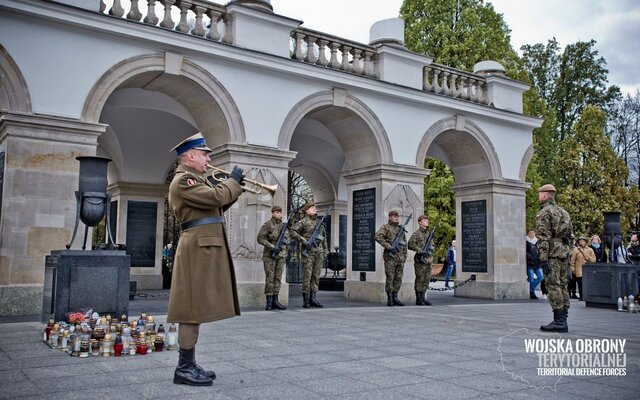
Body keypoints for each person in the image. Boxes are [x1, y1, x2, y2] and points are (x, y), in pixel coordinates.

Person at [166, 132, 245, 386]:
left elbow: (216, 207)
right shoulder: (184, 180)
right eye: (204, 154)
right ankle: (184, 368)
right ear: (190, 156)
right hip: (197, 250)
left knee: (195, 307)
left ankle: (189, 364)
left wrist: (233, 189)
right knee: (190, 309)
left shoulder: (196, 179)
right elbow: (215, 198)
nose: (208, 158)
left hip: (203, 247)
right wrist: (232, 183)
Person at [535, 184, 573, 333]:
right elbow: (570, 236)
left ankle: (559, 320)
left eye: (540, 194)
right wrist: (568, 252)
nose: (539, 197)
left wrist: (543, 258)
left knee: (553, 285)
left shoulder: (544, 213)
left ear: (545, 195)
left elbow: (543, 237)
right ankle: (563, 318)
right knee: (563, 285)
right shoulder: (564, 213)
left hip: (552, 253)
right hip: (563, 252)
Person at [290, 202, 327, 308]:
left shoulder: (320, 222)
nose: (314, 209)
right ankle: (306, 299)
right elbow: (292, 231)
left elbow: (324, 239)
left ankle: (313, 298)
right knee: (307, 276)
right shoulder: (303, 221)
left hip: (318, 253)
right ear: (307, 211)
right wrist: (304, 240)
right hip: (308, 253)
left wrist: (325, 251)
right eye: (312, 208)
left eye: (315, 207)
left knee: (316, 276)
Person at [256, 205, 288, 311]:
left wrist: (285, 248)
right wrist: (272, 246)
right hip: (270, 256)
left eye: (280, 212)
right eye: (277, 212)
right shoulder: (267, 225)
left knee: (278, 278)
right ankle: (269, 302)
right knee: (270, 278)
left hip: (281, 255)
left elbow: (288, 239)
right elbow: (260, 238)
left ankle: (275, 300)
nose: (279, 214)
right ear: (273, 213)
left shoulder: (284, 226)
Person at [375, 210, 408, 306]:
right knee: (390, 277)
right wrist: (389, 247)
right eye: (394, 216)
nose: (396, 218)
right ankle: (390, 297)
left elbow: (404, 243)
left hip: (400, 258)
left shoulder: (401, 229)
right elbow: (377, 236)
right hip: (390, 258)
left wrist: (404, 256)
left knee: (398, 278)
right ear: (390, 217)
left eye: (397, 216)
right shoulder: (386, 227)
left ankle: (395, 297)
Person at [408, 215, 434, 306]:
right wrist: (420, 251)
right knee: (420, 279)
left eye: (427, 219)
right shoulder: (417, 233)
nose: (426, 221)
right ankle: (418, 298)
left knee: (426, 280)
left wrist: (431, 249)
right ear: (420, 222)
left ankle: (423, 297)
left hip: (428, 260)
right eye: (424, 220)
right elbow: (410, 244)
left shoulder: (428, 233)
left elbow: (432, 245)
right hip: (420, 261)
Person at [570, 236, 596, 301]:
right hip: (579, 270)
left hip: (588, 270)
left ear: (586, 242)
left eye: (583, 240)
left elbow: (594, 260)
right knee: (580, 284)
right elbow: (572, 261)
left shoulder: (590, 250)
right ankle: (582, 296)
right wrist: (573, 269)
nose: (581, 242)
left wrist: (588, 257)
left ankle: (588, 296)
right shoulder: (575, 250)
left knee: (588, 284)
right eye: (580, 241)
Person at [526, 228, 544, 300]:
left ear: (535, 233)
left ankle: (529, 289)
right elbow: (525, 252)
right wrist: (530, 256)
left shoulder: (537, 241)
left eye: (533, 233)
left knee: (541, 277)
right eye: (530, 233)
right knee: (531, 279)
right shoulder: (526, 241)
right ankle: (532, 294)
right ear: (528, 234)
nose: (531, 234)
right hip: (530, 263)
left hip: (537, 263)